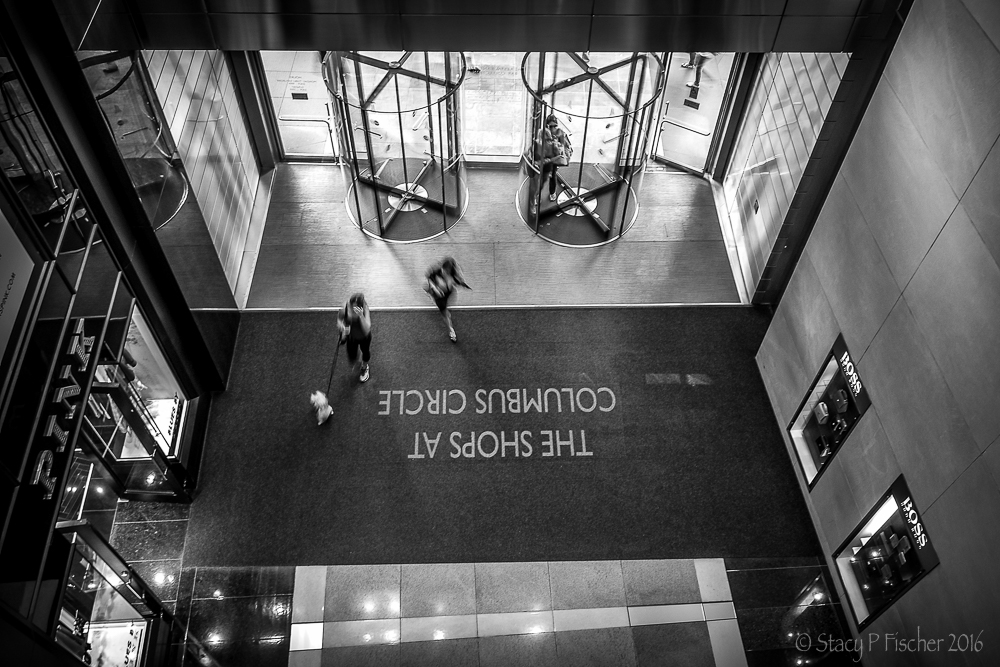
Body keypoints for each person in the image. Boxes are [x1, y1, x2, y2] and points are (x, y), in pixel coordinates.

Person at [425, 257, 471, 342]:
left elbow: (459, 282)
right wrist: (435, 289)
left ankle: (432, 293)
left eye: (448, 271)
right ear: (442, 267)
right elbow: (430, 278)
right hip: (439, 294)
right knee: (445, 313)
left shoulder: (454, 275)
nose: (445, 272)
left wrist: (463, 284)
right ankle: (451, 330)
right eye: (444, 270)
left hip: (448, 292)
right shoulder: (436, 270)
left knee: (447, 308)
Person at [337, 293, 372, 382]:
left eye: (355, 308)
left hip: (364, 336)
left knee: (365, 352)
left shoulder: (365, 310)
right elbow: (339, 319)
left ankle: (365, 367)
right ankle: (357, 354)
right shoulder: (345, 307)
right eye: (351, 306)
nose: (352, 309)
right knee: (352, 357)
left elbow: (367, 329)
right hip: (352, 336)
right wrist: (341, 326)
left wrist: (361, 316)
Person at [541, 114, 572, 202]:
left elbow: (564, 146)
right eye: (550, 126)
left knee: (552, 175)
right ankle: (538, 194)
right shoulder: (544, 133)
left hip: (554, 157)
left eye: (554, 126)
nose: (552, 128)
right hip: (545, 157)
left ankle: (552, 192)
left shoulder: (560, 133)